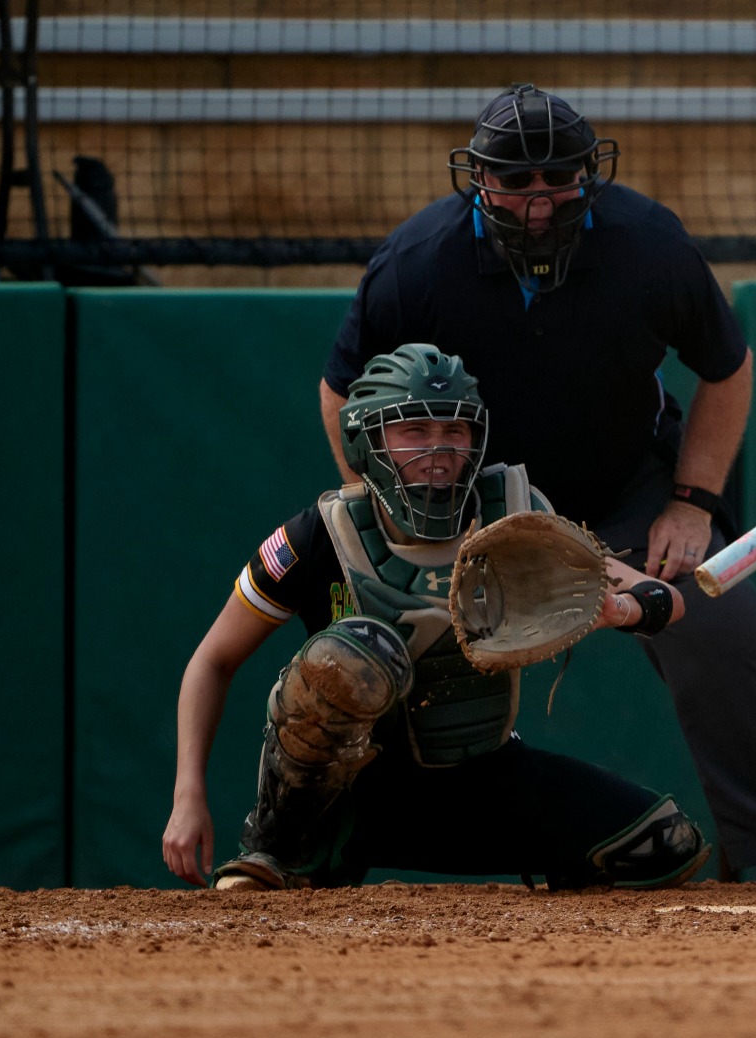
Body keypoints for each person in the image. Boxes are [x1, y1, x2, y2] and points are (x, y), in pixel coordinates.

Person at [316, 85, 756, 881]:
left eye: (559, 181)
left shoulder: (649, 244)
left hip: (627, 488)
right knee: (373, 646)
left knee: (722, 621)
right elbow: (342, 390)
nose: (539, 204)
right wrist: (392, 516)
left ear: (591, 175)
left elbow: (728, 368)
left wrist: (692, 501)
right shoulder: (418, 263)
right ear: (478, 181)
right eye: (517, 183)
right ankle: (323, 840)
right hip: (471, 509)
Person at [163, 344, 711, 890]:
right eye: (413, 432)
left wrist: (626, 607)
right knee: (355, 652)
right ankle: (285, 850)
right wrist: (188, 798)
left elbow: (661, 596)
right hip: (355, 793)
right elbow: (212, 661)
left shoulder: (512, 514)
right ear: (366, 441)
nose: (439, 451)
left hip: (480, 773)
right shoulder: (320, 535)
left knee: (663, 845)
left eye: (455, 431)